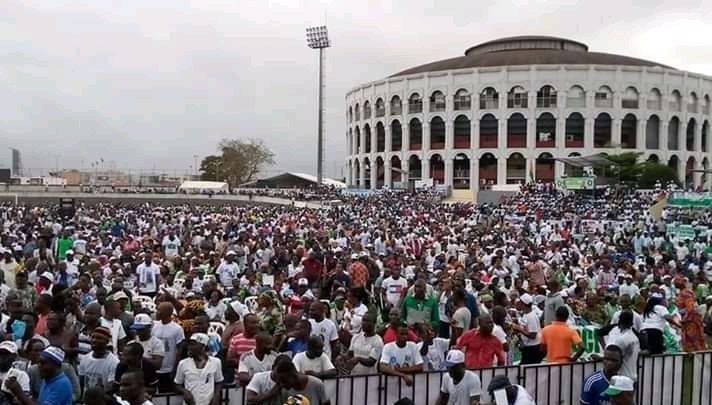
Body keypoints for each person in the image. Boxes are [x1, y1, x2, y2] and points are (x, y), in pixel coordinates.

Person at [6, 346, 73, 405]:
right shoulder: (47, 379)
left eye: (43, 363)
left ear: (56, 365)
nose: (39, 366)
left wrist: (19, 392)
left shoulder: (62, 384)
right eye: (39, 362)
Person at [174, 333, 224, 405]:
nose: (189, 347)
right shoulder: (183, 363)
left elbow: (219, 381)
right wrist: (185, 392)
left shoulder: (216, 362)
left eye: (193, 344)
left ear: (203, 347)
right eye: (189, 344)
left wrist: (216, 396)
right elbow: (177, 384)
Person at [152, 301, 185, 392]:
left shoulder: (177, 328)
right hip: (156, 368)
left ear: (167, 312)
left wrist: (174, 368)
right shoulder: (155, 326)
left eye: (159, 310)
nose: (157, 312)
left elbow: (179, 350)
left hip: (168, 368)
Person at [78, 326, 120, 395]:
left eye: (99, 338)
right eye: (93, 337)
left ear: (107, 341)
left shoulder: (114, 362)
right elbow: (81, 383)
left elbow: (110, 388)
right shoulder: (85, 359)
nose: (94, 340)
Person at [602, 311, 640, 381]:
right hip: (632, 375)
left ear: (619, 323)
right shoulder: (634, 337)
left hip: (621, 378)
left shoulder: (622, 340)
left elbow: (615, 360)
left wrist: (600, 358)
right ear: (631, 323)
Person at [514, 293, 543, 365]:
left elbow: (533, 335)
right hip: (527, 347)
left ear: (524, 304)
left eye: (520, 302)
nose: (518, 304)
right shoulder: (526, 314)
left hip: (532, 349)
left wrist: (519, 329)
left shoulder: (531, 317)